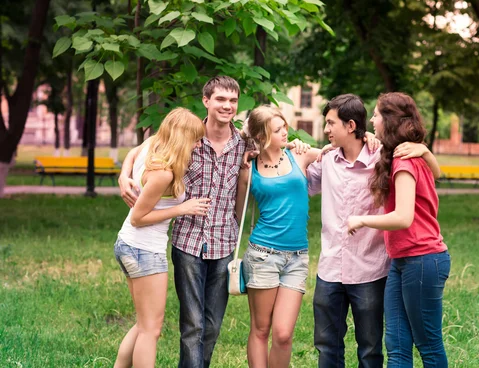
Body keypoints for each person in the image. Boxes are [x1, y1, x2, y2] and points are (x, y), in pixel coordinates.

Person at [119, 76, 307, 368]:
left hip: (224, 244)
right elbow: (144, 147)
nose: (228, 106)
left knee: (213, 325)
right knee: (193, 326)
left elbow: (277, 145)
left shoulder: (245, 143)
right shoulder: (189, 135)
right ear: (206, 101)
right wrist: (124, 173)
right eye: (220, 99)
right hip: (188, 243)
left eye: (233, 100)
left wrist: (296, 145)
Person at [306, 94, 441, 368]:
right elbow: (299, 187)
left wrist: (425, 150)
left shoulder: (384, 158)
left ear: (351, 126)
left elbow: (428, 174)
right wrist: (302, 152)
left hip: (369, 268)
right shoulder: (327, 160)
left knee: (370, 349)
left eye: (331, 123)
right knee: (326, 345)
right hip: (330, 268)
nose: (327, 129)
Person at [348, 92, 451, 368]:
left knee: (428, 344)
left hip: (422, 258)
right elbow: (437, 174)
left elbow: (403, 217)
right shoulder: (404, 153)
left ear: (390, 120)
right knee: (396, 345)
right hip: (402, 260)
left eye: (376, 115)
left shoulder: (405, 160)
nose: (371, 119)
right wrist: (426, 151)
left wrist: (362, 220)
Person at [113, 107, 210, 368]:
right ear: (182, 137)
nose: (199, 144)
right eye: (196, 139)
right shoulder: (163, 173)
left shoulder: (152, 144)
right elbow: (137, 217)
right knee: (151, 330)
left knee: (143, 323)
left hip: (130, 245)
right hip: (144, 250)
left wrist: (123, 174)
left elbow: (132, 153)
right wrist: (182, 208)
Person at [237, 105, 331, 368]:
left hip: (297, 257)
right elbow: (237, 212)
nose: (285, 132)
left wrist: (367, 137)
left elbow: (335, 152)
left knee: (283, 333)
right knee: (260, 329)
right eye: (277, 130)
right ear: (261, 135)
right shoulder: (249, 168)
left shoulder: (299, 155)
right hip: (262, 254)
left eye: (284, 127)